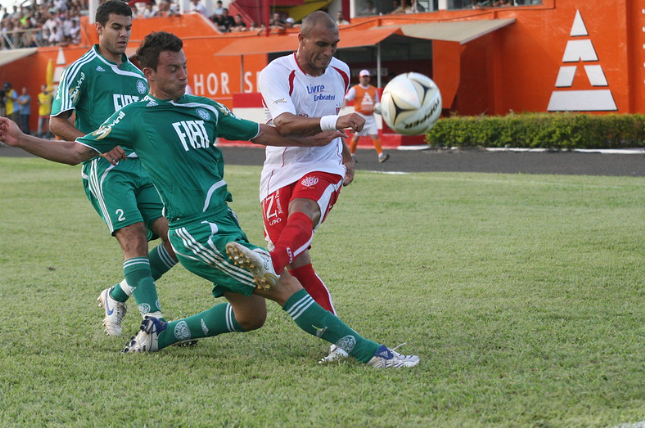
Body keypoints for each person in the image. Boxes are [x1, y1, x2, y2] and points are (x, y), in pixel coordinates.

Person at [0, 31, 419, 370]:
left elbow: (266, 133)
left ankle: (162, 335)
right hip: (194, 231)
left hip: (225, 221)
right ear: (148, 72)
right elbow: (76, 152)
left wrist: (322, 135)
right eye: (172, 69)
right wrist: (20, 139)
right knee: (282, 281)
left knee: (252, 316)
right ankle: (372, 354)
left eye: (184, 67)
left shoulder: (204, 108)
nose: (182, 75)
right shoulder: (134, 118)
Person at [50, 0, 177, 337]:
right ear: (100, 28)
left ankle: (116, 295)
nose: (124, 34)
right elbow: (57, 123)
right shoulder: (83, 68)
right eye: (117, 27)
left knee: (178, 238)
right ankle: (153, 324)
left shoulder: (138, 76)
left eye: (128, 28)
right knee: (134, 238)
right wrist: (99, 143)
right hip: (106, 170)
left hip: (144, 169)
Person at [257, 11, 379, 363]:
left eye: (334, 45)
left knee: (304, 211)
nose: (329, 52)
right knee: (300, 266)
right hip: (280, 168)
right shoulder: (276, 73)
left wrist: (345, 156)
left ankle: (270, 262)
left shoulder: (340, 72)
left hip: (324, 163)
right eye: (322, 44)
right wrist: (335, 122)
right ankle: (340, 338)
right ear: (302, 39)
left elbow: (333, 122)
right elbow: (285, 123)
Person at [342, 69, 389, 163]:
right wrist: (345, 104)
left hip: (371, 117)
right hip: (359, 116)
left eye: (367, 77)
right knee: (356, 136)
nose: (365, 79)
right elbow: (347, 97)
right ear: (360, 78)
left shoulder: (373, 89)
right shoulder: (355, 89)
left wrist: (379, 109)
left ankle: (381, 155)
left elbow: (377, 103)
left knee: (375, 136)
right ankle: (351, 155)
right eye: (363, 77)